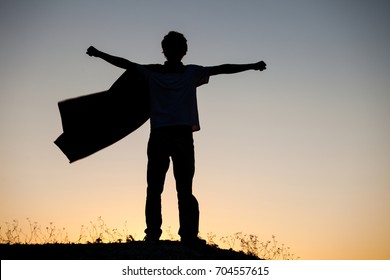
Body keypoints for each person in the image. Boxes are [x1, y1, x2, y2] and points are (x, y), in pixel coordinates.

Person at [86, 31, 267, 247]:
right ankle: (155, 234)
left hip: (178, 136)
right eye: (171, 47)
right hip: (163, 135)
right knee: (157, 187)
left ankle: (182, 235)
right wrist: (99, 54)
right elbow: (125, 64)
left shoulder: (190, 73)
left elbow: (223, 69)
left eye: (176, 47)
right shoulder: (157, 72)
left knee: (180, 188)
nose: (173, 51)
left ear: (182, 51)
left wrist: (252, 65)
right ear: (169, 50)